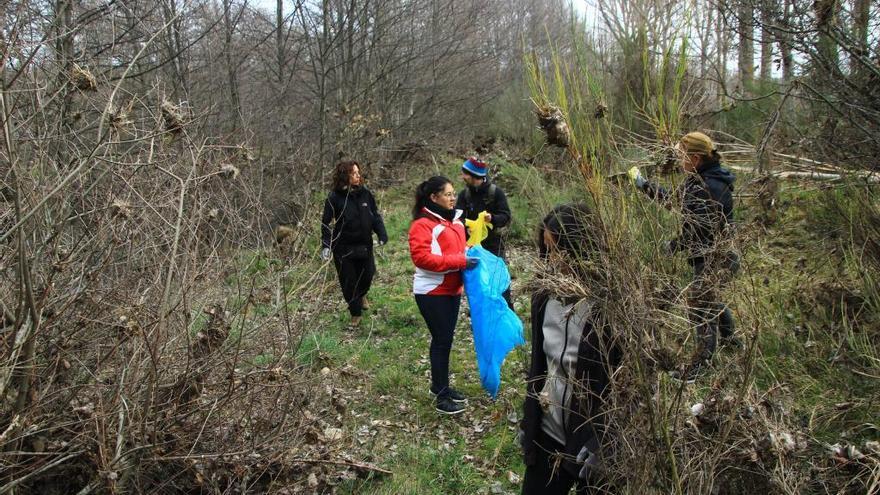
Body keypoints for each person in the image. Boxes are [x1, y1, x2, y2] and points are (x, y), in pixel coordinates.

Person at [520, 204, 620, 495]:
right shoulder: (543, 295)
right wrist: (530, 419)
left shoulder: (612, 307)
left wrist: (605, 440)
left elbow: (628, 385)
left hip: (590, 441)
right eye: (547, 250)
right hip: (548, 434)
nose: (554, 261)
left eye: (560, 250)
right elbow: (539, 366)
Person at [628, 131, 740, 383]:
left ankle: (701, 366)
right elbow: (675, 201)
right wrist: (644, 185)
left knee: (700, 306)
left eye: (681, 155)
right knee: (709, 300)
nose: (678, 160)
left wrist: (675, 244)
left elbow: (702, 230)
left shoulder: (708, 186)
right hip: (711, 255)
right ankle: (732, 342)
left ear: (696, 158)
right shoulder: (699, 180)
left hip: (717, 257)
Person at [408, 176, 478, 415]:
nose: (452, 198)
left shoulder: (456, 221)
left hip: (452, 289)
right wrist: (460, 260)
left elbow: (458, 249)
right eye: (447, 194)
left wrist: (470, 252)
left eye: (453, 193)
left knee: (445, 340)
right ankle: (440, 395)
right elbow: (422, 259)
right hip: (431, 291)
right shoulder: (422, 225)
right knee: (441, 340)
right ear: (433, 197)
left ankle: (441, 386)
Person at [321, 160, 388, 328]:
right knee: (348, 282)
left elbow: (375, 215)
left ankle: (362, 294)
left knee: (368, 275)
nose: (358, 176)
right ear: (345, 176)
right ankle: (355, 313)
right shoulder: (334, 198)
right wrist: (326, 246)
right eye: (354, 173)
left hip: (364, 244)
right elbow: (326, 223)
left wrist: (381, 233)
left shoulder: (365, 194)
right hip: (343, 248)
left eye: (358, 172)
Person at [456, 156, 513, 307]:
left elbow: (506, 217)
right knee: (478, 283)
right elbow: (457, 218)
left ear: (475, 176)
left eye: (465, 173)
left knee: (499, 282)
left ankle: (506, 315)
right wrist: (464, 226)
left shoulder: (495, 193)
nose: (463, 176)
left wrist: (491, 218)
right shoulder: (464, 195)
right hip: (473, 248)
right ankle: (483, 313)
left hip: (494, 246)